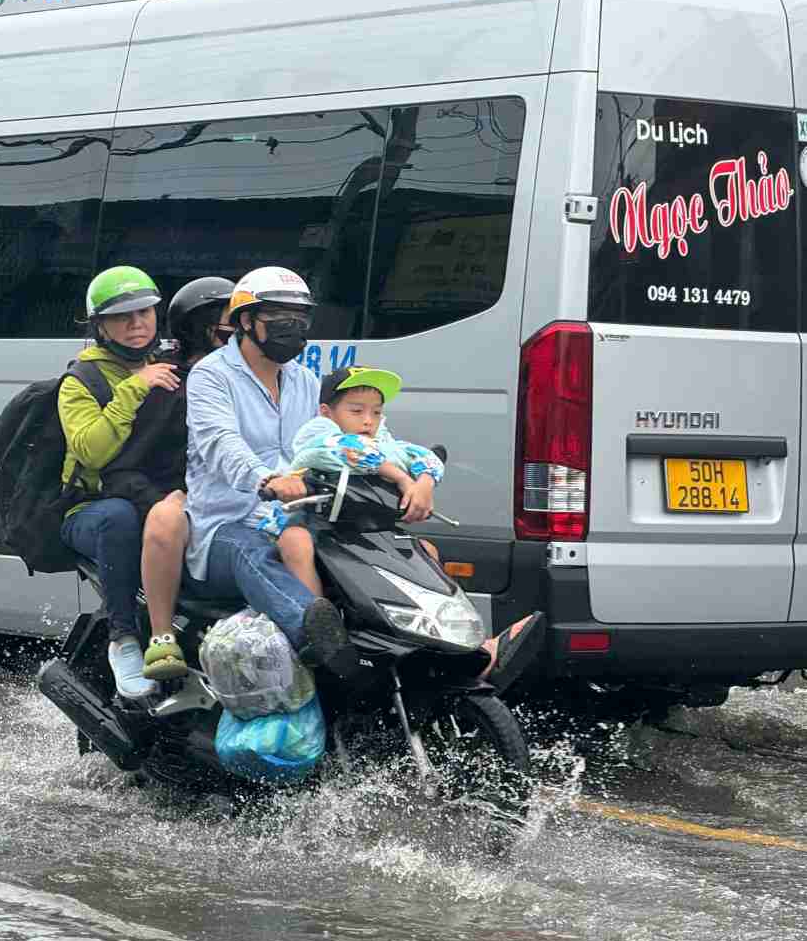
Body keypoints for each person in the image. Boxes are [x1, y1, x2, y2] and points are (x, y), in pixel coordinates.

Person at [255, 365, 545, 691]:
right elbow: (348, 451)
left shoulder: (384, 441)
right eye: (357, 410)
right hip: (315, 526)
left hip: (365, 532)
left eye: (376, 412)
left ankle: (465, 644)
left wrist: (423, 483)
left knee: (426, 551)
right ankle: (319, 631)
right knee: (295, 542)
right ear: (327, 411)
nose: (368, 420)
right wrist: (402, 477)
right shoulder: (316, 433)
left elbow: (423, 456)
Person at [182, 266, 362, 681]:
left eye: (300, 320)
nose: (293, 329)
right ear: (246, 321)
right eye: (281, 317)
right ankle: (322, 643)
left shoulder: (304, 381)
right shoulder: (212, 376)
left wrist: (408, 473)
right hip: (227, 524)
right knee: (252, 550)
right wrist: (265, 478)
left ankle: (462, 646)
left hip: (299, 519)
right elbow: (219, 441)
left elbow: (343, 434)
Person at [57, 266, 179, 699]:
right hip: (93, 509)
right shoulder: (81, 381)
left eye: (144, 312)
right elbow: (92, 451)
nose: (136, 323)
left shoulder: (170, 364)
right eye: (122, 316)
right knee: (118, 517)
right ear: (99, 326)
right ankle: (123, 640)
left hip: (153, 498)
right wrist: (134, 388)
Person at [113, 276, 234, 680]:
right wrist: (170, 499)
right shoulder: (171, 386)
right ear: (200, 328)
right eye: (229, 322)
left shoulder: (257, 382)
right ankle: (159, 639)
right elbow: (124, 468)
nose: (241, 331)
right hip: (184, 511)